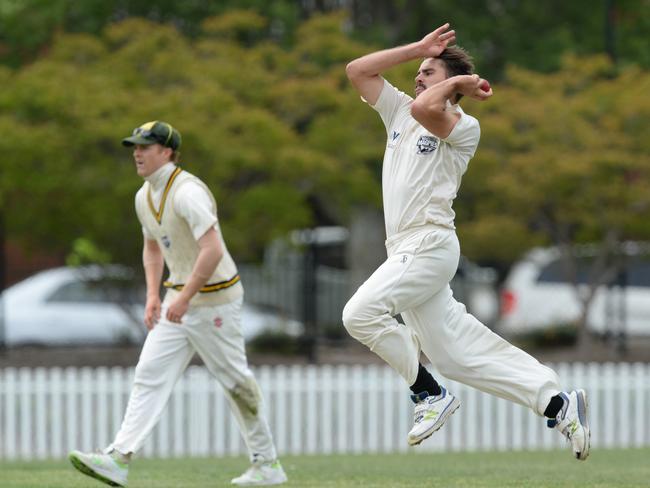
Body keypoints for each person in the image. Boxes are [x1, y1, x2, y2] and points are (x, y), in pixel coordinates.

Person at [342, 24, 590, 460]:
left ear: (452, 89)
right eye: (419, 71)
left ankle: (428, 393)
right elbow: (357, 70)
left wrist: (457, 83)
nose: (418, 77)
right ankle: (557, 402)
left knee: (359, 314)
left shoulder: (461, 125)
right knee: (457, 356)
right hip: (404, 249)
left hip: (429, 244)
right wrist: (418, 50)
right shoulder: (399, 110)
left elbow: (426, 111)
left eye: (429, 71)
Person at [69, 121, 288, 486]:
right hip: (177, 302)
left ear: (167, 152)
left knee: (236, 382)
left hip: (216, 302)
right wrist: (154, 294)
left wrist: (185, 297)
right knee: (148, 374)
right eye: (134, 147)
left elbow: (213, 249)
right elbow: (153, 246)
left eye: (145, 147)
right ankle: (118, 458)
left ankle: (267, 465)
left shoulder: (187, 192)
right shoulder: (144, 196)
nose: (137, 153)